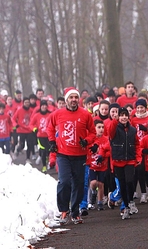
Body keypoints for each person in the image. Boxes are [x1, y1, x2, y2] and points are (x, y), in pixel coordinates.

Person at [47, 87, 96, 225]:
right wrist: (52, 141)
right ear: (66, 99)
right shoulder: (58, 114)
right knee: (64, 182)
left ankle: (75, 212)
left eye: (76, 97)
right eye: (71, 97)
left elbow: (93, 132)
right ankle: (64, 210)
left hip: (80, 154)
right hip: (63, 154)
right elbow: (49, 127)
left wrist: (87, 140)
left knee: (78, 184)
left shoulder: (85, 114)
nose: (74, 100)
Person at [108, 107, 141, 219]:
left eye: (125, 115)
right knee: (122, 184)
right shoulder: (115, 128)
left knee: (130, 181)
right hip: (118, 160)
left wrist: (138, 157)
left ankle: (130, 201)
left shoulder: (133, 130)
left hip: (130, 160)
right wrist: (114, 120)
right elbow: (110, 132)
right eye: (121, 115)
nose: (123, 117)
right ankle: (126, 206)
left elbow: (137, 144)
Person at [87, 120, 110, 211]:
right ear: (94, 128)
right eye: (99, 127)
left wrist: (103, 155)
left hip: (103, 165)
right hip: (92, 165)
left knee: (101, 184)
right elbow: (87, 150)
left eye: (102, 127)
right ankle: (93, 192)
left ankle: (100, 203)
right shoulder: (91, 139)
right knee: (93, 183)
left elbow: (109, 151)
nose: (101, 129)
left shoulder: (106, 139)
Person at [29, 100, 52, 172]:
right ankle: (44, 166)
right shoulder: (37, 115)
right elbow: (31, 124)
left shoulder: (50, 114)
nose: (44, 107)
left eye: (45, 105)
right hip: (40, 136)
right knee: (43, 151)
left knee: (49, 150)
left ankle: (49, 160)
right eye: (43, 105)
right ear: (40, 106)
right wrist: (34, 129)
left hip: (49, 136)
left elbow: (55, 122)